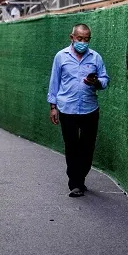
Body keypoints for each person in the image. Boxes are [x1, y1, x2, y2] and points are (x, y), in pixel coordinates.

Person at [48, 23, 110, 197]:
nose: (83, 42)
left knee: (88, 147)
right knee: (72, 146)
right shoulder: (61, 57)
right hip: (67, 108)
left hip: (90, 109)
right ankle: (75, 183)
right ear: (72, 38)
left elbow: (105, 79)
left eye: (86, 39)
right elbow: (55, 82)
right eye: (79, 38)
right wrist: (53, 106)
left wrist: (96, 82)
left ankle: (80, 177)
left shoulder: (95, 58)